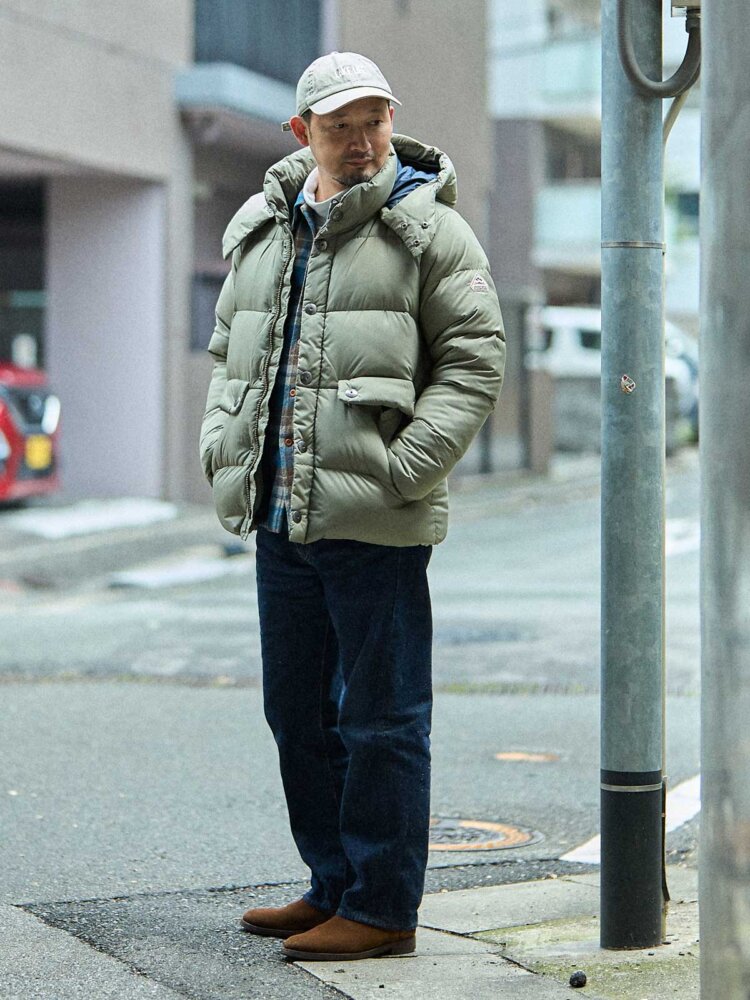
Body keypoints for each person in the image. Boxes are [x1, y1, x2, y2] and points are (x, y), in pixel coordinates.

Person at [199, 51, 505, 962]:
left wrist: (404, 469)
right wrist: (222, 445)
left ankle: (381, 907)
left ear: (391, 120)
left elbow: (475, 359)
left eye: (374, 121)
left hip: (375, 520)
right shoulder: (265, 227)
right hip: (279, 514)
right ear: (304, 133)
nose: (363, 141)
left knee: (381, 720)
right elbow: (227, 350)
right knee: (297, 715)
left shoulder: (429, 228)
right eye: (341, 126)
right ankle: (332, 883)